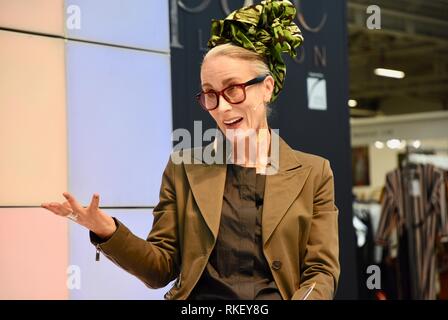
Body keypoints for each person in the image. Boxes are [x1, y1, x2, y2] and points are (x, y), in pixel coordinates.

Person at [41, 0, 340, 300]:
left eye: (233, 89)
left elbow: (321, 272)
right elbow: (161, 269)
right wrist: (107, 230)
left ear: (266, 88)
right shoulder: (184, 167)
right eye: (210, 94)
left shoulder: (314, 173)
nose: (221, 107)